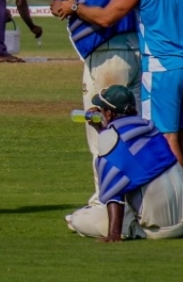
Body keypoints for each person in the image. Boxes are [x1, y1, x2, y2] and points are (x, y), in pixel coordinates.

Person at [53, 0, 183, 165]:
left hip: (162, 69)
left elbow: (106, 17)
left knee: (167, 138)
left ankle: (175, 191)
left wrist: (74, 6)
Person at [50, 0, 141, 203]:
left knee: (101, 130)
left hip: (107, 58)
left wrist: (71, 7)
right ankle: (134, 202)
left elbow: (101, 17)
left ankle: (106, 202)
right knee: (132, 132)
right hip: (135, 53)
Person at [66, 85, 183, 241]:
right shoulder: (150, 128)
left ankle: (129, 230)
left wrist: (113, 234)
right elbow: (128, 155)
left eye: (102, 110)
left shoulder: (110, 140)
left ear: (109, 114)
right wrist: (102, 130)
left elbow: (114, 193)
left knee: (78, 219)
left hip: (160, 229)